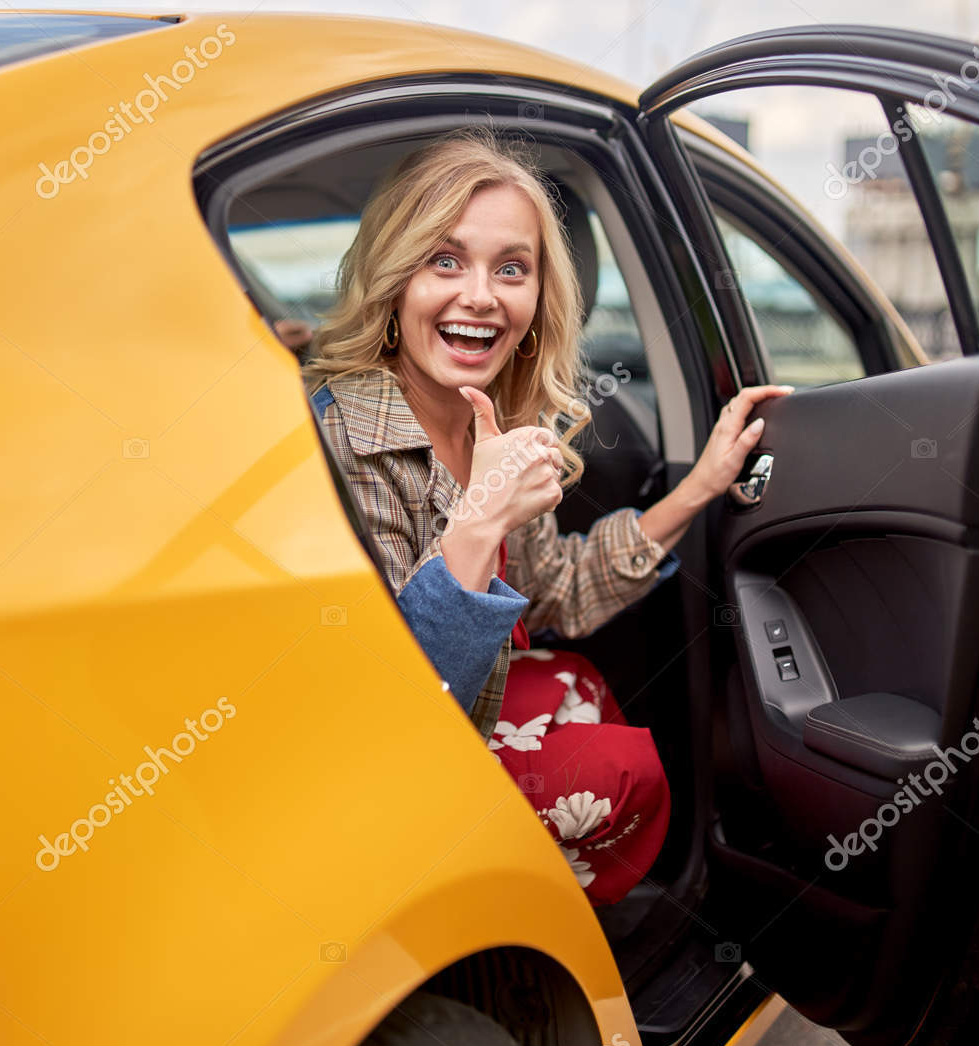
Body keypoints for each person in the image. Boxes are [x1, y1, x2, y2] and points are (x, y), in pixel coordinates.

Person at [305, 130, 791, 904]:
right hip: (373, 781)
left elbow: (556, 586)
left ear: (537, 299)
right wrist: (480, 514)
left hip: (450, 726)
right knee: (618, 774)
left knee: (574, 681)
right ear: (393, 277)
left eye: (511, 268)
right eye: (444, 259)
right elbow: (397, 713)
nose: (480, 295)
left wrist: (701, 484)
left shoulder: (486, 420)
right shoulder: (336, 439)